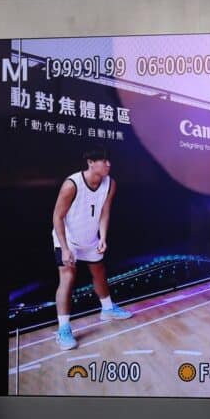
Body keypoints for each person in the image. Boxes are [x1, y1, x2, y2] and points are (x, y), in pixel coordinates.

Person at [52, 146, 132, 350]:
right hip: (67, 239)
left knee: (99, 272)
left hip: (90, 237)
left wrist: (102, 237)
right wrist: (65, 248)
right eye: (103, 161)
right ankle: (63, 329)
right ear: (90, 162)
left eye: (109, 160)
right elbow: (57, 217)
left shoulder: (110, 183)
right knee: (68, 277)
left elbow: (105, 211)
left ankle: (107, 309)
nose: (108, 164)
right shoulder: (72, 184)